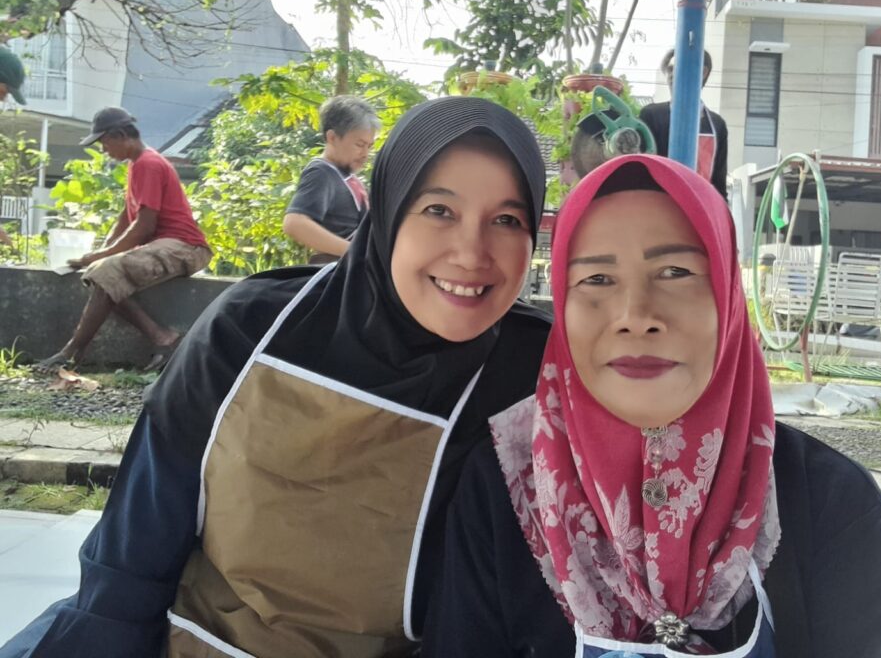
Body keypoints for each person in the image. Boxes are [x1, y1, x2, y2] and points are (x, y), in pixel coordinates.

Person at [0, 96, 551, 658]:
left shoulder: (530, 376)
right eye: (439, 210)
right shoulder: (255, 328)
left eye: (507, 220)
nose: (472, 252)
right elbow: (135, 549)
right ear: (389, 211)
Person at [425, 155, 881, 658]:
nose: (636, 316)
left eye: (676, 272)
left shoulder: (830, 501)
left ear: (728, 295)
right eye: (596, 279)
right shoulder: (502, 488)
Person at [35, 107, 211, 372]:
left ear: (120, 135)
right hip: (170, 246)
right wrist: (100, 252)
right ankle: (164, 338)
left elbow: (144, 227)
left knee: (106, 270)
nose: (104, 150)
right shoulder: (137, 164)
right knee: (102, 275)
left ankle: (71, 352)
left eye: (104, 142)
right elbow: (127, 218)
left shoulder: (149, 164)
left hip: (186, 247)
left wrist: (100, 256)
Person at [283, 95, 379, 263]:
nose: (365, 154)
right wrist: (355, 253)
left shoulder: (346, 176)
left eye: (369, 146)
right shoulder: (321, 172)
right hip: (338, 271)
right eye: (359, 144)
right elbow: (294, 223)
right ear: (332, 137)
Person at [639, 50, 729, 200]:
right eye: (669, 69)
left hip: (699, 207)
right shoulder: (651, 115)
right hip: (658, 206)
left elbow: (719, 186)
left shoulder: (717, 125)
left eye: (679, 67)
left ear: (703, 72)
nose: (672, 74)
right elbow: (639, 173)